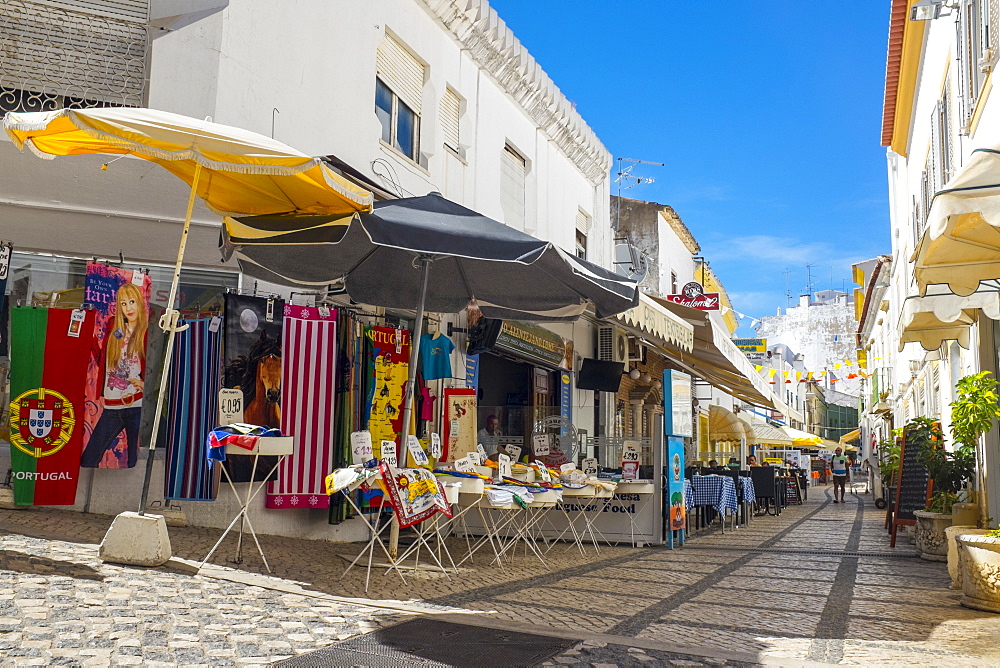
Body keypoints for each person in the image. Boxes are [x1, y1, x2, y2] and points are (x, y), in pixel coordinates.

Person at [81, 282, 148, 469]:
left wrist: (145, 384)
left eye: (132, 301)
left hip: (136, 405)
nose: (128, 308)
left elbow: (154, 364)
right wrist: (91, 340)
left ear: (140, 303)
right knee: (89, 458)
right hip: (111, 406)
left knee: (135, 461)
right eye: (123, 303)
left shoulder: (146, 331)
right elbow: (104, 358)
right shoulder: (116, 328)